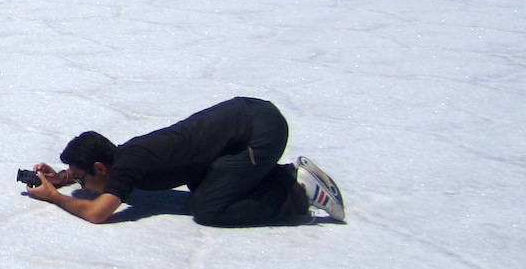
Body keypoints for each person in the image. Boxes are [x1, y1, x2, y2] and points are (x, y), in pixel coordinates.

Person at [25, 96, 345, 226]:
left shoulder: (127, 166)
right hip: (247, 119)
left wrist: (54, 197)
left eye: (82, 179)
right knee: (202, 183)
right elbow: (91, 174)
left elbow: (97, 214)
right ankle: (285, 176)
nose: (83, 185)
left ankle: (297, 193)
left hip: (260, 132)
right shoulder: (120, 156)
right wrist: (62, 178)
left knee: (208, 208)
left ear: (100, 168)